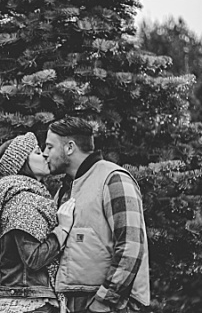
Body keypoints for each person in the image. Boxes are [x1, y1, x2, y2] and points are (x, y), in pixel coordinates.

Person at [43, 117, 150, 313]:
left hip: (106, 305)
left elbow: (131, 246)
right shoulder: (65, 189)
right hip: (72, 302)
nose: (45, 153)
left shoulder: (113, 179)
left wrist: (103, 301)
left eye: (50, 147)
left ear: (69, 147)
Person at [0, 132, 72, 313]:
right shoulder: (23, 201)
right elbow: (34, 259)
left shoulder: (24, 195)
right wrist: (63, 229)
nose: (45, 155)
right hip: (27, 303)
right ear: (22, 163)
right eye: (37, 152)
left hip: (25, 296)